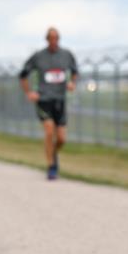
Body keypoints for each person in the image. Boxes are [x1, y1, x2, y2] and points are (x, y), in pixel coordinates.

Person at [19, 27, 78, 180]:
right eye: (51, 38)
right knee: (49, 130)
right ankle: (51, 167)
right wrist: (29, 92)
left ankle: (52, 153)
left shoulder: (66, 55)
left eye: (56, 38)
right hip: (44, 100)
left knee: (62, 138)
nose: (54, 41)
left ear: (59, 39)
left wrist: (72, 83)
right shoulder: (39, 56)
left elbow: (75, 72)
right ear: (47, 39)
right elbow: (23, 74)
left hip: (60, 100)